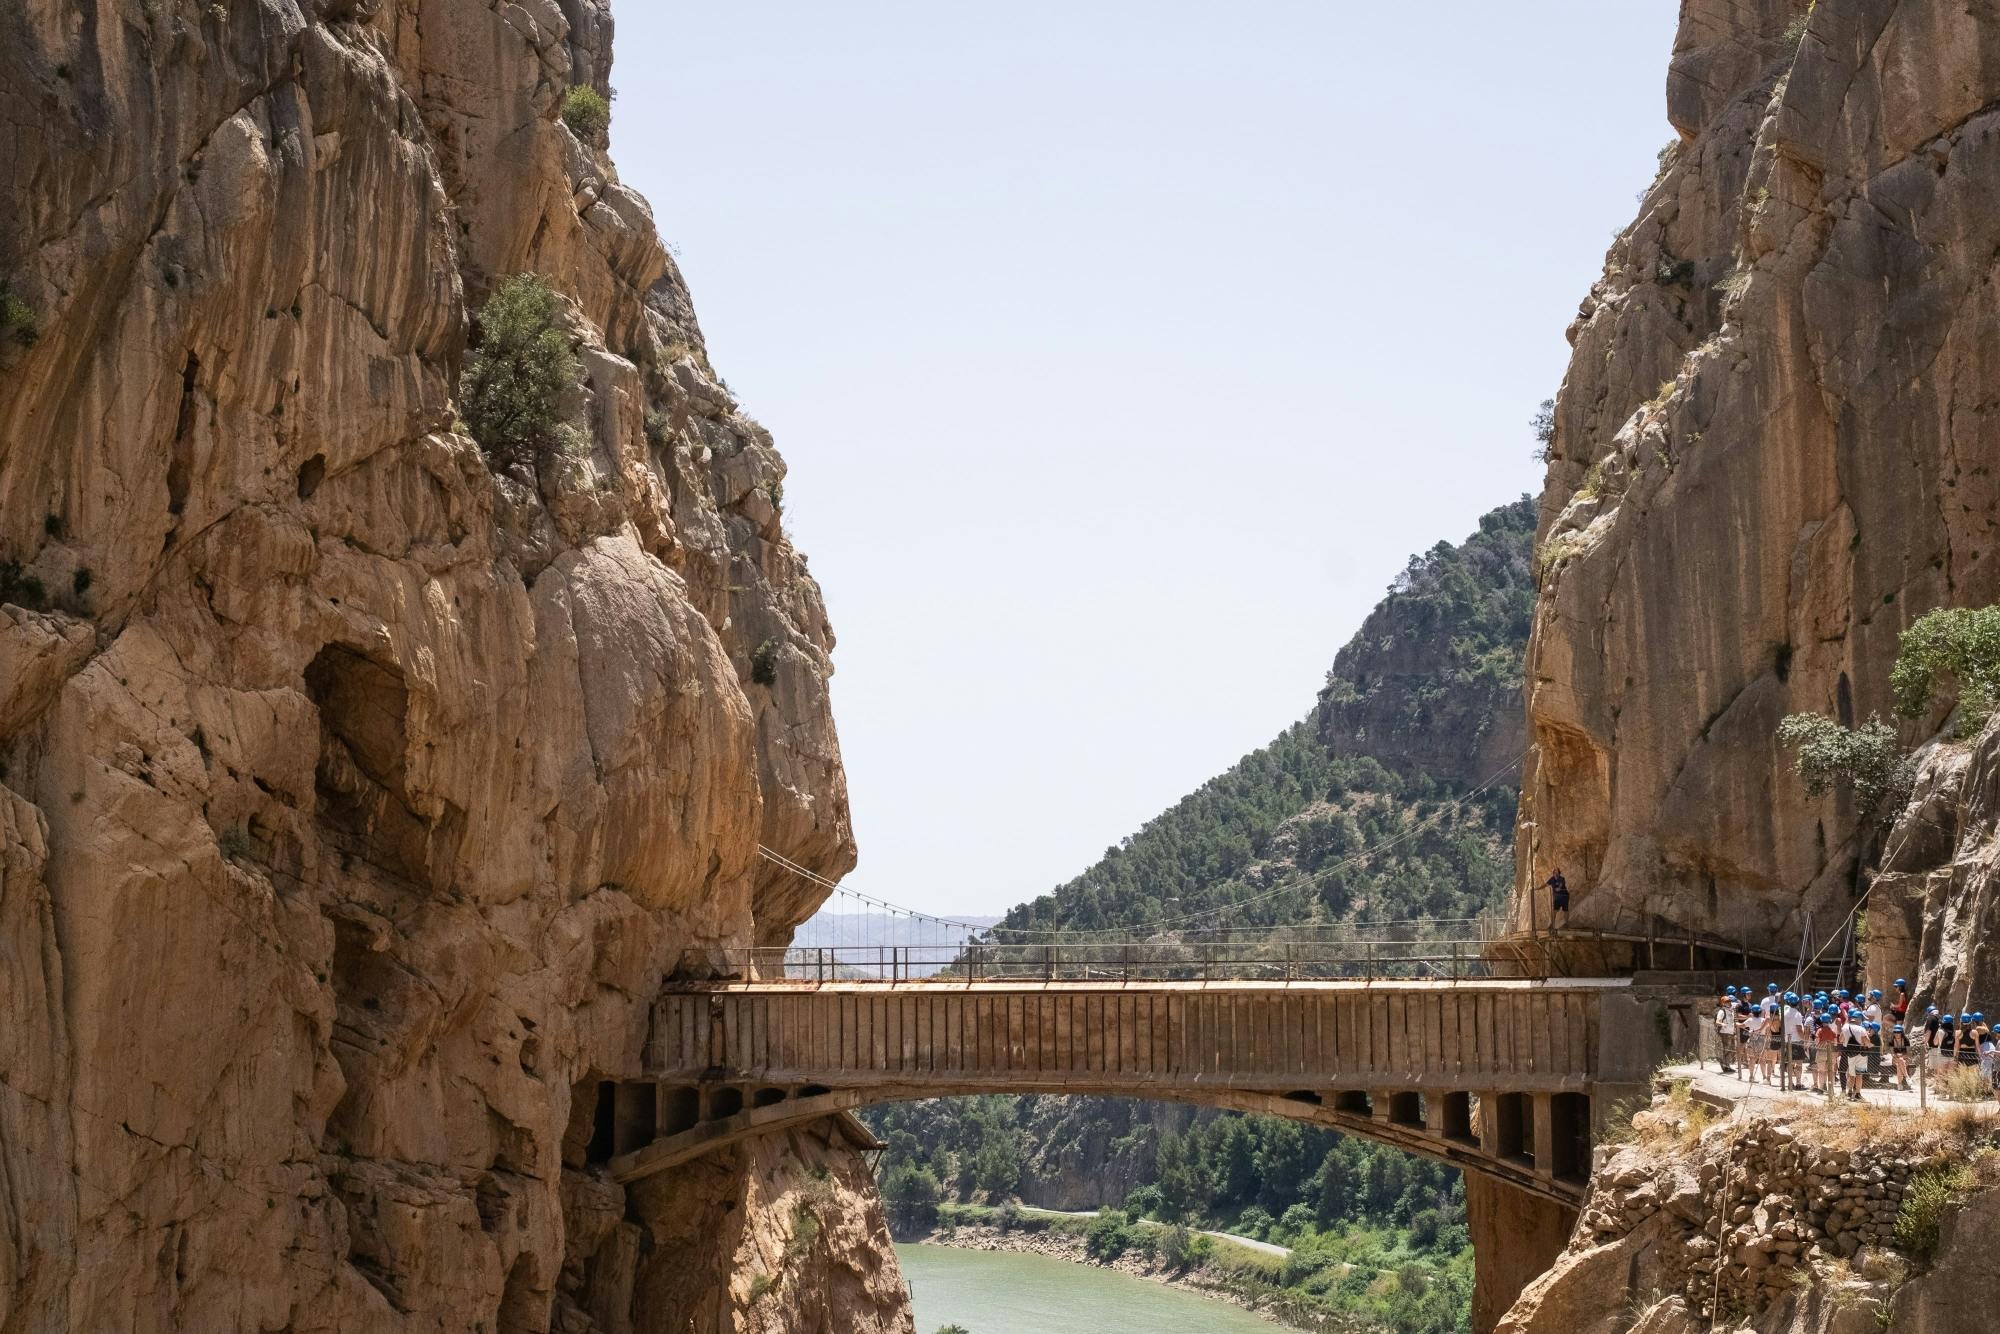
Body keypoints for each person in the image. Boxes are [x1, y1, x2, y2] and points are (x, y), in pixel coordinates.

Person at [1714, 988, 1737, 1073]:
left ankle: (1727, 1065)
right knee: (1726, 1050)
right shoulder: (1722, 1011)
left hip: (1730, 1032)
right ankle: (1725, 1066)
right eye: (1727, 1002)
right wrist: (1723, 1024)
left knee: (1730, 1050)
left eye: (1729, 1001)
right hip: (1725, 1033)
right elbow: (1717, 1022)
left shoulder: (1731, 1011)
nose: (1729, 1002)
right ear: (1723, 1003)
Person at [1888, 1022, 1911, 1090]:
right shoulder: (1891, 1041)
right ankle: (1907, 1077)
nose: (1897, 1034)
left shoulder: (1906, 1040)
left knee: (1899, 1064)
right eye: (1895, 1032)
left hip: (1905, 1058)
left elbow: (1908, 1053)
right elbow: (1892, 1054)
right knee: (1899, 1062)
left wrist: (1901, 1056)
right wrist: (1898, 1056)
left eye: (1898, 1032)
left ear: (1901, 1033)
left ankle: (1899, 1084)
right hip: (1895, 1059)